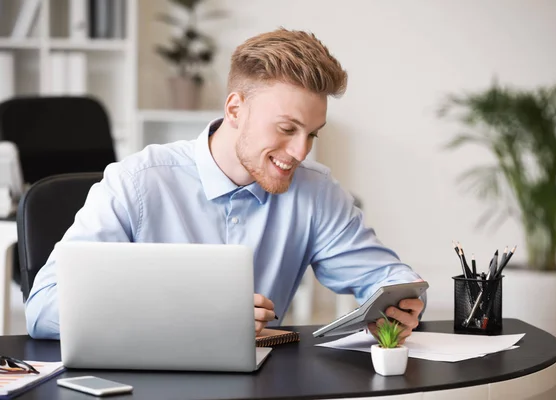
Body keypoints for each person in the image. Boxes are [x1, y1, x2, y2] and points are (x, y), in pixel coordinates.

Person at [25, 28, 425, 341]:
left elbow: (386, 278)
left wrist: (398, 302)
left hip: (262, 385)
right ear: (235, 108)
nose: (301, 151)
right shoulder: (136, 182)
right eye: (287, 129)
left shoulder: (315, 190)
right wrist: (190, 311)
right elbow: (43, 309)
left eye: (312, 134)